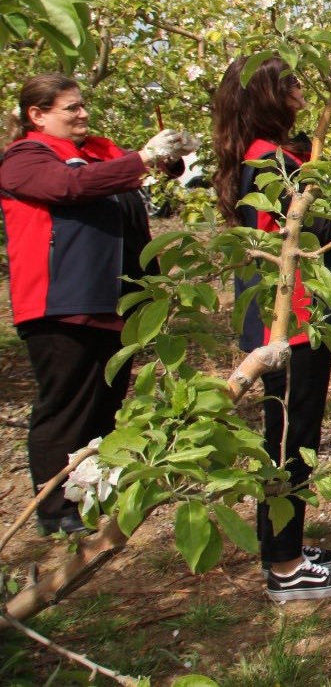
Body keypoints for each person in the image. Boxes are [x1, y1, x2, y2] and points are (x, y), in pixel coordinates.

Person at [212, 56, 331, 602]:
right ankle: (286, 567)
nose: (300, 88)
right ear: (266, 95)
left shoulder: (271, 155)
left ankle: (282, 546)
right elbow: (317, 224)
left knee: (286, 435)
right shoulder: (269, 159)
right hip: (293, 320)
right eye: (289, 82)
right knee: (292, 440)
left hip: (290, 317)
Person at [0, 73, 198, 535]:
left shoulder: (92, 151)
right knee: (66, 405)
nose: (83, 113)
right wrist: (143, 157)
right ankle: (53, 510)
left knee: (103, 404)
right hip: (60, 300)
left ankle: (91, 496)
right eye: (71, 107)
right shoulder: (25, 158)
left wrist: (169, 157)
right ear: (38, 115)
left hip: (110, 300)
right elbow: (72, 187)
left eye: (83, 104)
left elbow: (130, 169)